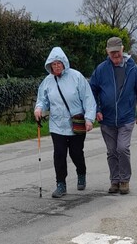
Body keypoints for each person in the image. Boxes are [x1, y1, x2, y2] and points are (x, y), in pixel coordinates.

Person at [34, 47, 96, 198]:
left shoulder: (76, 77)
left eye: (58, 63)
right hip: (57, 125)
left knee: (76, 153)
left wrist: (89, 119)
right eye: (53, 64)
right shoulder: (47, 81)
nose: (56, 66)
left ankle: (81, 172)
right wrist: (39, 109)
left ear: (64, 63)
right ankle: (60, 184)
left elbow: (88, 98)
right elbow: (42, 100)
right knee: (59, 154)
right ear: (49, 65)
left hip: (76, 123)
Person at [89, 37, 137, 195]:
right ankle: (114, 180)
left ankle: (125, 180)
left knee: (122, 148)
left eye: (118, 52)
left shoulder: (133, 69)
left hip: (126, 117)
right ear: (107, 52)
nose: (116, 55)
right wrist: (96, 109)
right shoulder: (101, 69)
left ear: (123, 49)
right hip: (106, 118)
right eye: (112, 52)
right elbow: (92, 90)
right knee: (111, 151)